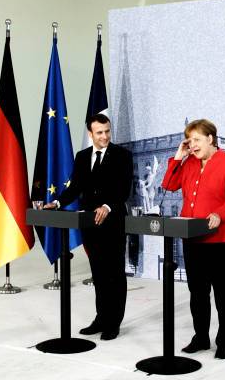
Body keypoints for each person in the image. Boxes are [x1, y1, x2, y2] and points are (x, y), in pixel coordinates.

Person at [44, 113, 133, 341]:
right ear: (90, 134)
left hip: (112, 223)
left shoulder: (122, 155)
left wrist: (107, 206)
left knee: (114, 274)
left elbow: (123, 190)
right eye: (100, 133)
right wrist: (58, 202)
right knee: (98, 274)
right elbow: (75, 187)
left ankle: (114, 322)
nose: (104, 136)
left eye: (107, 131)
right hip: (89, 225)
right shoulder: (82, 156)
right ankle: (101, 318)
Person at [161, 119, 225, 359]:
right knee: (197, 291)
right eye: (190, 141)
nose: (193, 145)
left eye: (197, 140)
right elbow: (169, 184)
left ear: (211, 138)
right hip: (192, 238)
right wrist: (178, 156)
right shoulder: (188, 163)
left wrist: (219, 214)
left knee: (222, 292)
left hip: (222, 240)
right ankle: (201, 337)